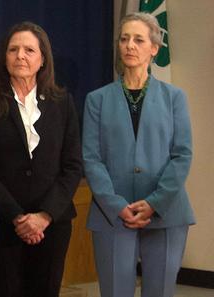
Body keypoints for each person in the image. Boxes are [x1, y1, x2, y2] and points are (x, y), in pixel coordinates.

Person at [83, 12, 195, 297]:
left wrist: (155, 202)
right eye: (124, 39)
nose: (129, 45)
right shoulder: (97, 99)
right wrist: (115, 204)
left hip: (166, 212)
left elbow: (182, 154)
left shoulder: (174, 97)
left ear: (154, 48)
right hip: (113, 214)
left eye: (138, 39)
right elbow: (91, 158)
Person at [0, 22, 83, 297]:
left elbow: (72, 166)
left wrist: (44, 215)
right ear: (4, 57)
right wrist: (19, 218)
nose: (20, 55)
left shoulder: (62, 102)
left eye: (29, 50)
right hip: (2, 223)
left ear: (42, 58)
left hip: (52, 225)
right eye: (13, 49)